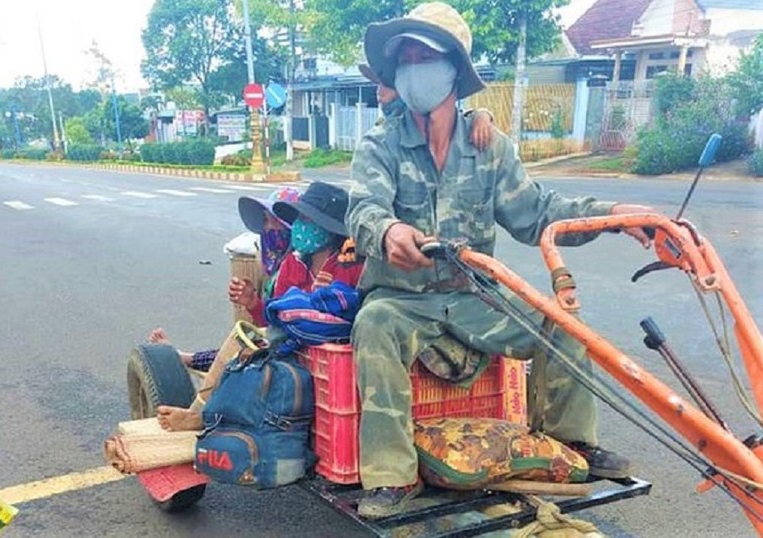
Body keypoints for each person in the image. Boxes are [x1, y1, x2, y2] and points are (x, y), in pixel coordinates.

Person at [345, 2, 656, 519]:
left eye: (427, 54)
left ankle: (571, 445)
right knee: (372, 322)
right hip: (403, 300)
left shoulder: (490, 147)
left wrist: (615, 215)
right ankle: (390, 477)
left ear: (453, 70)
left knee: (562, 321)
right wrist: (387, 230)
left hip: (473, 299)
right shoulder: (380, 145)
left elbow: (538, 213)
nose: (414, 66)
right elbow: (364, 209)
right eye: (406, 57)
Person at [158, 181, 364, 432]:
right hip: (293, 349)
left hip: (329, 357)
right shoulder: (292, 264)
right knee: (244, 356)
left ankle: (201, 412)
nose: (299, 226)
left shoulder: (350, 265)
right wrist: (254, 303)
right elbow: (275, 318)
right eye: (299, 218)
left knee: (251, 364)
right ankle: (201, 413)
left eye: (308, 220)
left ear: (329, 229)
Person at [152, 187, 299, 431]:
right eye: (267, 220)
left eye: (277, 221)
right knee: (241, 346)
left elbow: (283, 324)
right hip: (282, 337)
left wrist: (256, 306)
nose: (271, 228)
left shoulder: (299, 263)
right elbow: (275, 320)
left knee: (243, 352)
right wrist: (252, 302)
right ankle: (189, 360)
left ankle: (196, 413)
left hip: (294, 348)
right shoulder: (281, 265)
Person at [359, 62, 493, 149]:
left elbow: (453, 119)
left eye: (385, 85)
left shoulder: (423, 111)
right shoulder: (381, 130)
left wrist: (481, 115)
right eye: (377, 84)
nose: (379, 92)